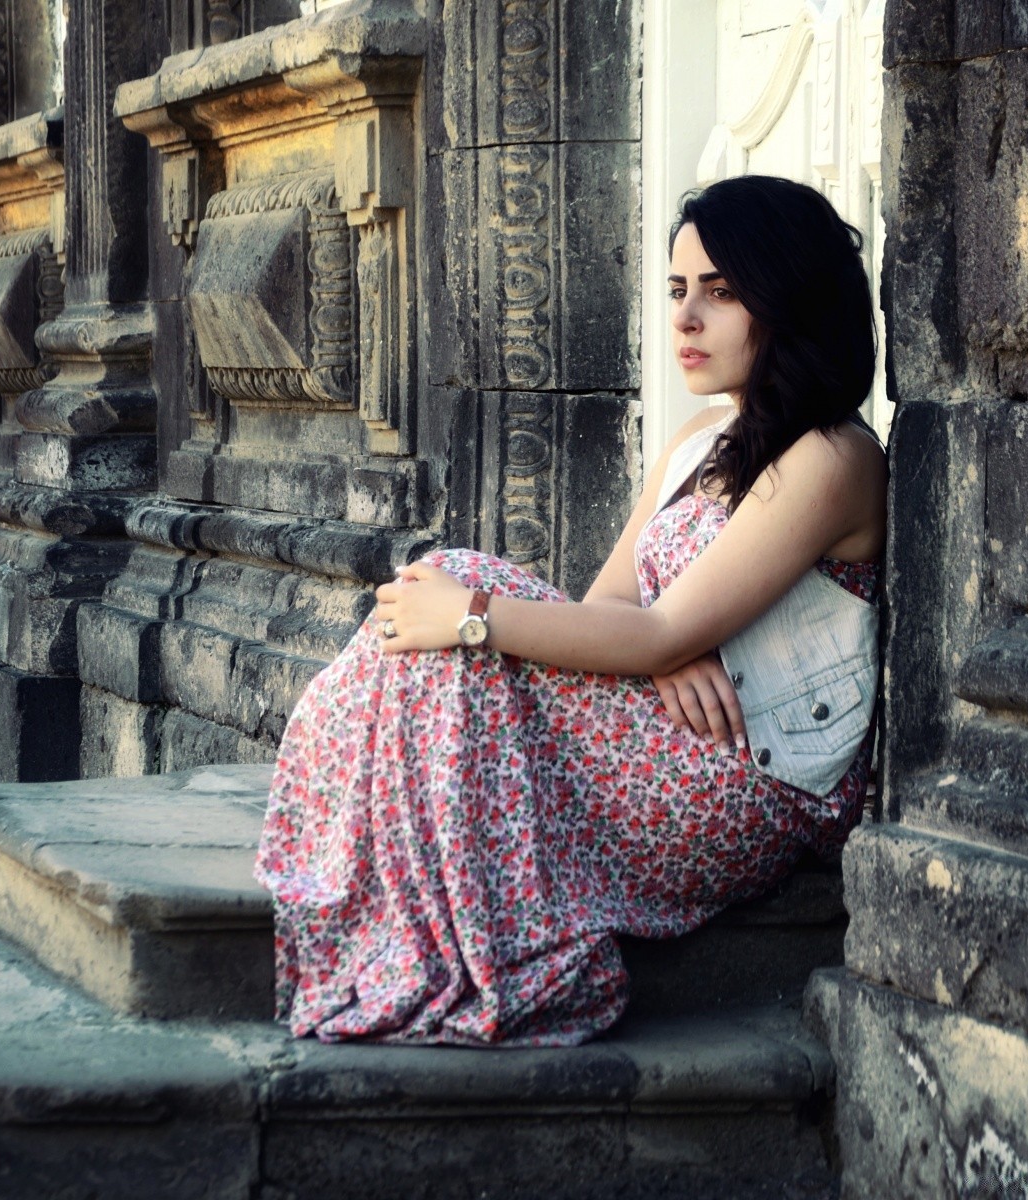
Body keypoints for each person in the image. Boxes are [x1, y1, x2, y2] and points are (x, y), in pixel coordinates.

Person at [255, 175, 888, 1047]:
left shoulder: (834, 456)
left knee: (460, 597)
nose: (686, 319)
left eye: (722, 292)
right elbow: (611, 609)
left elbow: (652, 624)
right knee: (444, 615)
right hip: (665, 730)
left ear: (789, 295)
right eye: (677, 291)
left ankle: (455, 948)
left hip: (748, 775)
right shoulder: (702, 441)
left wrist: (479, 613)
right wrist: (660, 648)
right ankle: (421, 932)